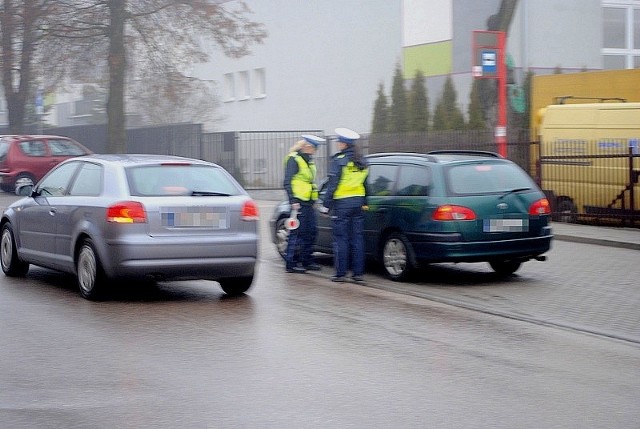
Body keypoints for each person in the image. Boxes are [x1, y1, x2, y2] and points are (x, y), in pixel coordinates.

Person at [319, 128, 369, 283]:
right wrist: (365, 202)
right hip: (358, 202)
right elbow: (366, 184)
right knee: (357, 239)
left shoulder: (339, 160)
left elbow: (332, 186)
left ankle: (341, 274)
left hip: (343, 204)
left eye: (339, 142)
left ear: (344, 144)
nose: (337, 144)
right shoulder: (362, 161)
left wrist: (326, 206)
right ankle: (358, 274)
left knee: (341, 238)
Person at [283, 134, 325, 273]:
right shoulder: (293, 159)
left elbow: (310, 182)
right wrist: (293, 200)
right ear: (307, 147)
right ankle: (291, 263)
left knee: (311, 231)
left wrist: (313, 200)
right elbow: (287, 182)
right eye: (314, 148)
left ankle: (307, 260)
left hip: (308, 202)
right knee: (296, 233)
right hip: (298, 202)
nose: (315, 151)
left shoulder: (309, 161)